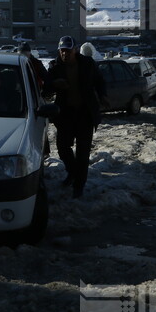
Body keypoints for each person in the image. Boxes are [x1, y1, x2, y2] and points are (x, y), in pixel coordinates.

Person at [45, 35, 107, 199]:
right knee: (63, 149)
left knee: (83, 153)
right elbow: (46, 90)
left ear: (75, 50)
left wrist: (102, 96)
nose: (64, 54)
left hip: (85, 114)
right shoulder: (55, 66)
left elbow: (100, 82)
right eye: (62, 51)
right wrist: (54, 84)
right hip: (65, 115)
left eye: (68, 51)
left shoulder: (87, 64)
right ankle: (73, 172)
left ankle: (79, 186)